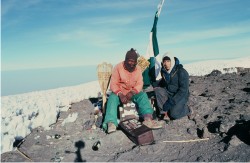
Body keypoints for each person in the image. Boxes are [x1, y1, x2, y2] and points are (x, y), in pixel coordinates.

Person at [102, 48, 162, 133]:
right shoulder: (118, 67)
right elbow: (113, 84)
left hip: (132, 92)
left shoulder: (138, 69)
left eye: (134, 61)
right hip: (120, 92)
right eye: (130, 61)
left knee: (142, 95)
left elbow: (139, 84)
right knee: (112, 98)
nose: (132, 63)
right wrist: (120, 94)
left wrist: (132, 92)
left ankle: (148, 119)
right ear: (125, 60)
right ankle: (111, 123)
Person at [154, 52, 191, 120]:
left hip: (181, 95)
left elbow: (183, 90)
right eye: (164, 61)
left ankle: (187, 110)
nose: (166, 63)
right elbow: (165, 82)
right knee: (158, 90)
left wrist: (172, 101)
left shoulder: (181, 72)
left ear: (172, 61)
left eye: (168, 61)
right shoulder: (164, 71)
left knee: (174, 114)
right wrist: (156, 84)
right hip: (169, 93)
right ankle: (165, 113)